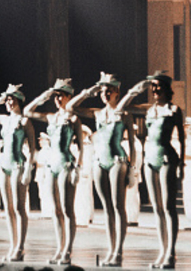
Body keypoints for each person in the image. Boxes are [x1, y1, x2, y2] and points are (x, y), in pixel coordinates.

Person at [66, 72, 148, 267]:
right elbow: (71, 107)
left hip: (118, 160)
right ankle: (111, 250)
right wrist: (89, 92)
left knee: (119, 207)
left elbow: (133, 146)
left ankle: (118, 251)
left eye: (108, 91)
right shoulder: (97, 113)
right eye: (102, 91)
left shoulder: (125, 115)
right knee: (107, 209)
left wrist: (133, 169)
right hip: (99, 161)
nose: (105, 94)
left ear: (117, 92)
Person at [25, 78, 86, 266]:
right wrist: (44, 96)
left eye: (61, 95)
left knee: (67, 209)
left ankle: (68, 249)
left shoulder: (74, 118)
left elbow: (81, 147)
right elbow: (27, 111)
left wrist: (78, 167)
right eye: (56, 96)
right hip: (51, 164)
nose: (58, 99)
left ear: (69, 97)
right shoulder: (51, 117)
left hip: (66, 162)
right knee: (56, 210)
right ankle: (59, 248)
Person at [0, 83, 36, 262]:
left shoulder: (24, 121)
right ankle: (13, 245)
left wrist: (29, 168)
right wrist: (0, 98)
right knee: (8, 208)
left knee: (19, 207)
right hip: (4, 164)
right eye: (8, 100)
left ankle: (20, 246)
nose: (9, 103)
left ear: (19, 101)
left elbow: (33, 148)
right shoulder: (4, 119)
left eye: (12, 100)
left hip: (18, 164)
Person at [142, 70, 185, 269]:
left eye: (158, 85)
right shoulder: (149, 110)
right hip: (150, 158)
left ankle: (171, 252)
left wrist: (182, 165)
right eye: (153, 86)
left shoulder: (174, 110)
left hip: (167, 157)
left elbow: (182, 139)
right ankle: (162, 250)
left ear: (167, 88)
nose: (155, 89)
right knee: (157, 208)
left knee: (168, 208)